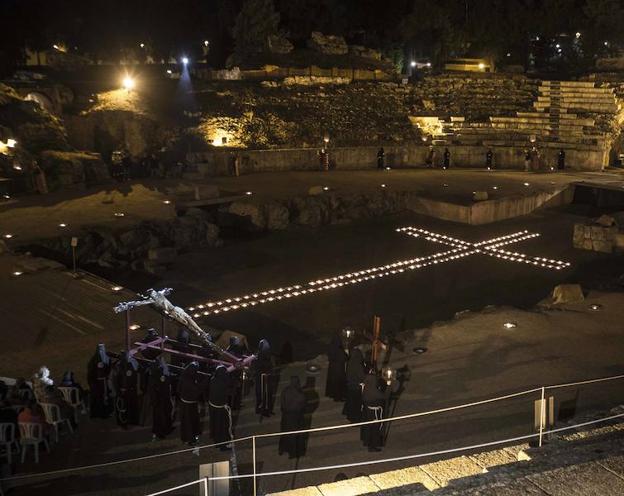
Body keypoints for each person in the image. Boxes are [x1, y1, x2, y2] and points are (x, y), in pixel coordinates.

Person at [178, 362, 209, 445]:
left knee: (188, 421)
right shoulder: (189, 381)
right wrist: (206, 379)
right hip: (189, 404)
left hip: (185, 403)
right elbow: (198, 389)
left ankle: (188, 437)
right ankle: (190, 439)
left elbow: (179, 389)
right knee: (189, 422)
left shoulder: (184, 377)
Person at [278, 376, 306, 458]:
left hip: (286, 417)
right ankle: (294, 452)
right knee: (295, 436)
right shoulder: (300, 394)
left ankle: (283, 449)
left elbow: (282, 403)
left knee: (285, 434)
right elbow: (303, 406)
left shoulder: (285, 391)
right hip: (296, 418)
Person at [112, 351, 142, 428]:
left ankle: (133, 421)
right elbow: (115, 381)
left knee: (132, 406)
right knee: (122, 408)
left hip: (132, 390)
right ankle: (123, 423)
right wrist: (119, 392)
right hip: (123, 391)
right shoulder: (118, 366)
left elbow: (137, 373)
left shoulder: (132, 364)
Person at [148, 357, 174, 439]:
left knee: (160, 415)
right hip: (160, 399)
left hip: (159, 399)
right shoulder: (158, 374)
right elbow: (164, 384)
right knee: (161, 416)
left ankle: (164, 429)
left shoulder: (153, 374)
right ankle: (161, 432)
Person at [360, 373, 387, 452]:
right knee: (375, 428)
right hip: (373, 412)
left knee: (368, 427)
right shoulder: (373, 390)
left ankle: (367, 442)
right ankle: (373, 446)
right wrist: (388, 387)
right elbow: (383, 396)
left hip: (367, 411)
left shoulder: (366, 388)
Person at [209, 365, 233, 449]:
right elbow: (228, 392)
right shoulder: (223, 383)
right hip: (220, 408)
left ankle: (217, 441)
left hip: (213, 407)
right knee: (222, 426)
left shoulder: (213, 380)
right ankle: (223, 445)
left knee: (216, 425)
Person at [87, 344, 112, 418]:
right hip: (98, 383)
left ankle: (104, 413)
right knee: (99, 398)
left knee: (103, 397)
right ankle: (100, 413)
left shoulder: (93, 360)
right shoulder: (96, 360)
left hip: (101, 383)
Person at [343, 348, 366, 422]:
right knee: (356, 404)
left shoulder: (350, 362)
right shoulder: (358, 365)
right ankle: (355, 418)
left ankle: (349, 415)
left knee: (350, 402)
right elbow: (362, 376)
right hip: (356, 388)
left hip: (349, 386)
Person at [255, 339, 274, 416]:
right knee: (261, 394)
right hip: (261, 378)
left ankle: (267, 410)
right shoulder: (259, 355)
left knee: (267, 394)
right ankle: (261, 410)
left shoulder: (266, 354)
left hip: (266, 377)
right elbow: (259, 366)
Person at [325, 335, 347, 401]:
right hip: (339, 369)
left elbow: (329, 356)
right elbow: (345, 358)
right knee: (338, 383)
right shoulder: (339, 349)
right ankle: (337, 397)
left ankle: (331, 394)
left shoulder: (331, 347)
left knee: (333, 382)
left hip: (332, 369)